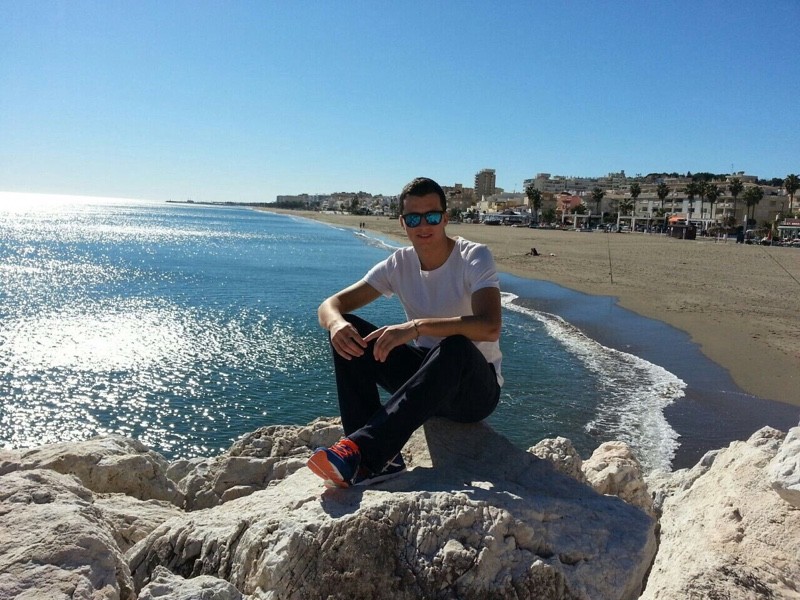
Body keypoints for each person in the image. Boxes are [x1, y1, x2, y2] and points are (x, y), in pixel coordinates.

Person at [307, 177, 503, 488]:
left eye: (432, 216)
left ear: (445, 218)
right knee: (350, 331)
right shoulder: (399, 264)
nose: (423, 225)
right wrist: (335, 323)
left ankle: (365, 452)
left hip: (473, 392)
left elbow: (489, 325)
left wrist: (416, 327)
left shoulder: (473, 257)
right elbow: (330, 306)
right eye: (413, 218)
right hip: (426, 379)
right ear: (402, 222)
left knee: (455, 346)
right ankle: (377, 461)